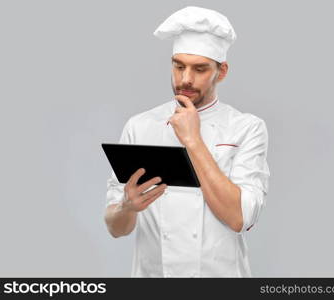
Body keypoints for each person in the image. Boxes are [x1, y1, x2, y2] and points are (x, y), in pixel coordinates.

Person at [104, 6, 270, 277]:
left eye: (200, 69)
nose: (185, 79)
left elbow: (239, 217)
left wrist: (193, 141)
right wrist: (126, 207)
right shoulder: (139, 126)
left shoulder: (246, 128)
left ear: (222, 71)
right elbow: (115, 228)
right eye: (178, 66)